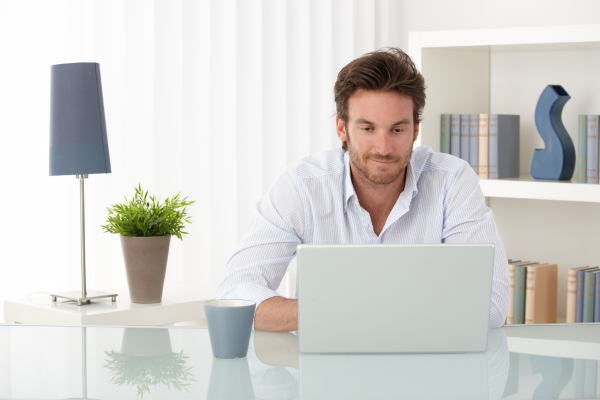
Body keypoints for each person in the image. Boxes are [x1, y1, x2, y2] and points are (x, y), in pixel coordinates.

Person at [217, 47, 509, 332]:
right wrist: (331, 311)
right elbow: (235, 297)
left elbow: (491, 307)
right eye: (367, 129)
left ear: (416, 129)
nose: (384, 148)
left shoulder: (453, 181)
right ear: (342, 128)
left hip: (427, 371)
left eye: (397, 129)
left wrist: (356, 308)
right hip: (326, 372)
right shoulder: (301, 187)